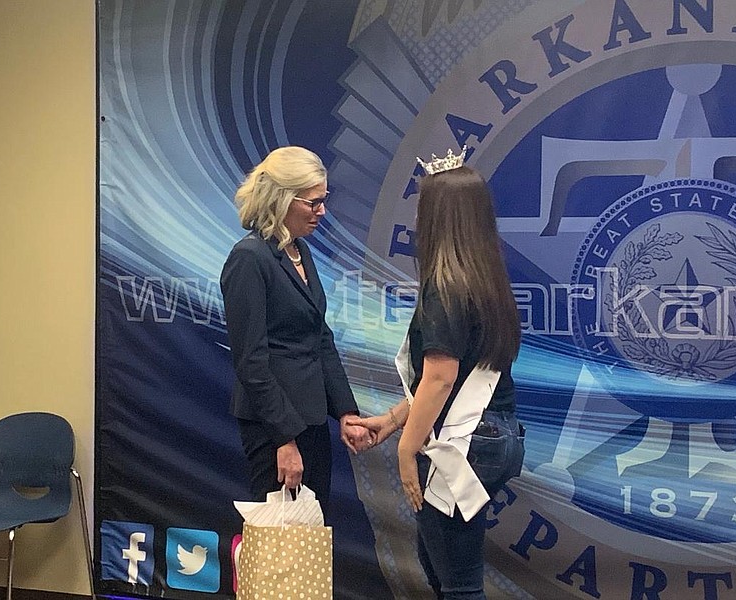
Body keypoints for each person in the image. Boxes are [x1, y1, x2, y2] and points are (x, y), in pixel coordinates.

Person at [347, 149, 524, 600]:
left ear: (436, 218)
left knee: (458, 583)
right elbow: (461, 382)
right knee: (441, 565)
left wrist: (407, 451)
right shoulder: (487, 280)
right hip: (495, 433)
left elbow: (442, 379)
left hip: (464, 442)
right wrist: (391, 420)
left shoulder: (444, 288)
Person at [220, 146, 372, 516]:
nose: (322, 211)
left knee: (309, 545)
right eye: (313, 202)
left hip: (313, 420)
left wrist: (347, 412)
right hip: (274, 429)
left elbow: (320, 340)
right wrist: (284, 440)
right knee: (279, 554)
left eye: (324, 200)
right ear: (282, 199)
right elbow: (251, 361)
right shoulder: (250, 258)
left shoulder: (299, 251)